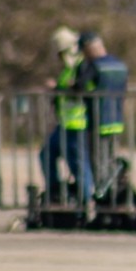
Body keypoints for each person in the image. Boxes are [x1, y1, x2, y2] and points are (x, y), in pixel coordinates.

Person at [72, 31, 129, 204]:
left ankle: (104, 201)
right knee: (110, 160)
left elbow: (80, 87)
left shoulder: (94, 66)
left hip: (98, 120)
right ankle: (114, 194)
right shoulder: (119, 65)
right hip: (116, 119)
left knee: (99, 163)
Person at [39, 26, 90, 205]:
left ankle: (86, 201)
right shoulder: (67, 69)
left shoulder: (82, 65)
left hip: (78, 124)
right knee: (46, 154)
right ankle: (54, 191)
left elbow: (79, 89)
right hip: (64, 123)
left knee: (78, 163)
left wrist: (57, 88)